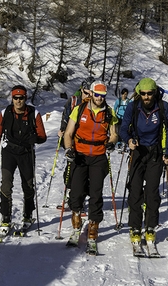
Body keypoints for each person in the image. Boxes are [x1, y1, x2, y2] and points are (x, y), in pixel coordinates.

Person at [119, 77, 168, 245]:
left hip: (155, 154)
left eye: (149, 93)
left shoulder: (163, 107)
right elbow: (123, 128)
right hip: (137, 152)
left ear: (154, 92)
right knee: (135, 191)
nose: (146, 97)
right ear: (139, 93)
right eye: (143, 94)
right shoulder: (132, 106)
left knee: (152, 193)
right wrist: (128, 140)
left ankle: (150, 227)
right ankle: (135, 227)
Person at [63, 80, 118, 244]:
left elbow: (114, 134)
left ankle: (93, 228)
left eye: (102, 96)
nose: (99, 98)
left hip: (99, 156)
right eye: (97, 95)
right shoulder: (79, 110)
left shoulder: (109, 112)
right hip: (80, 155)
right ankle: (76, 224)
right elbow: (68, 133)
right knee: (76, 192)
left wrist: (112, 142)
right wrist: (68, 149)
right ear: (91, 94)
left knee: (96, 193)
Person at [0, 85, 47, 233]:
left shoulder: (34, 113)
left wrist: (36, 139)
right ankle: (6, 217)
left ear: (25, 98)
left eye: (21, 98)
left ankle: (27, 215)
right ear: (12, 98)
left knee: (28, 185)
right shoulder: (5, 113)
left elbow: (43, 136)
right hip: (9, 152)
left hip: (26, 152)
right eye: (15, 98)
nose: (18, 101)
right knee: (6, 184)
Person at [57, 76, 95, 201]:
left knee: (86, 171)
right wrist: (63, 131)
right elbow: (65, 117)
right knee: (71, 167)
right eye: (86, 92)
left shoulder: (95, 103)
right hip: (72, 139)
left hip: (88, 142)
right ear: (81, 90)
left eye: (91, 93)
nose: (88, 95)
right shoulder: (73, 101)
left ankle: (81, 196)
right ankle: (70, 191)